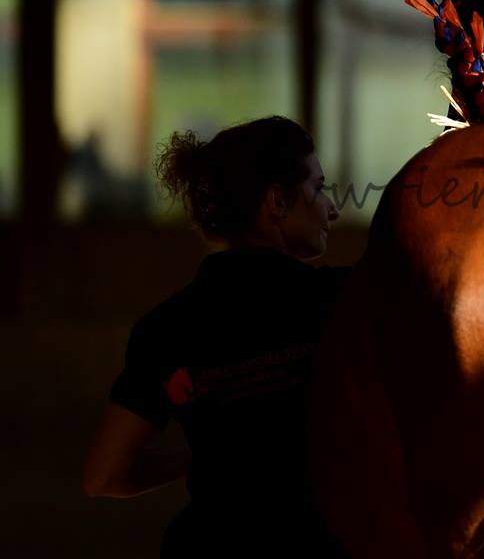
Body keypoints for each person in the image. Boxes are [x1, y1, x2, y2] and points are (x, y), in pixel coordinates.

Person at [83, 116, 346, 557]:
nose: (332, 208)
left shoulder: (166, 327)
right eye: (319, 188)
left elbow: (103, 477)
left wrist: (209, 456)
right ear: (277, 202)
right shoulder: (342, 305)